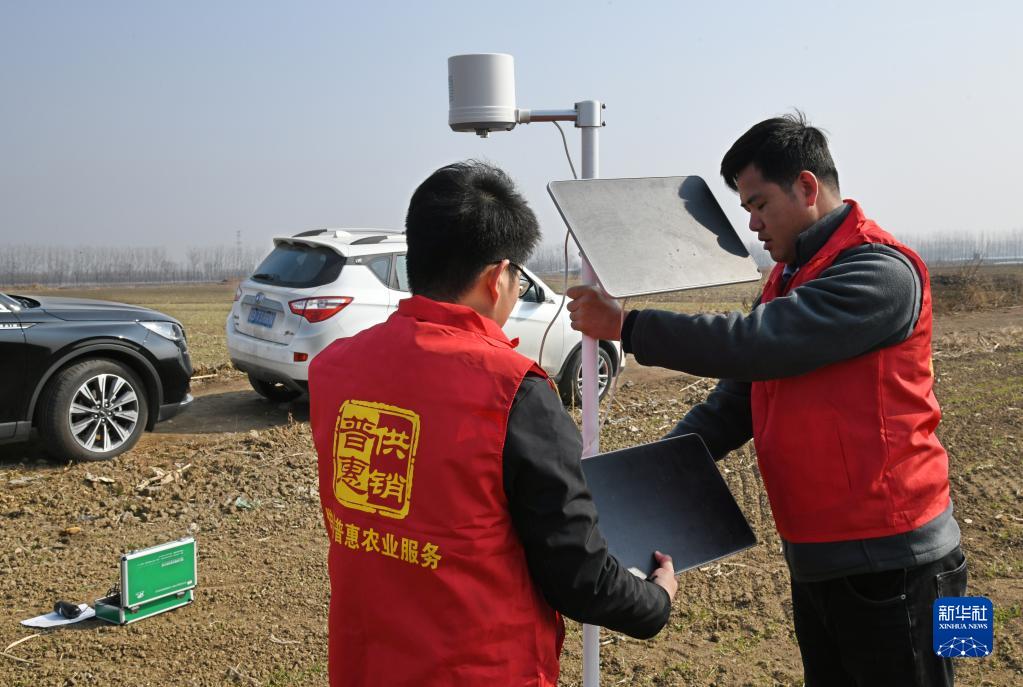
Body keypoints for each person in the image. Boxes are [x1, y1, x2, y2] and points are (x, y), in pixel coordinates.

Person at [566, 113, 967, 686]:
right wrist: (645, 471)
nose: (752, 224)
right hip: (820, 560)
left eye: (759, 204)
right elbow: (738, 398)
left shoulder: (880, 271)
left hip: (902, 563)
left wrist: (628, 327)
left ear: (806, 187)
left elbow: (756, 342)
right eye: (745, 208)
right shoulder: (788, 276)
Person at [309, 160, 677, 687]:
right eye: (516, 278)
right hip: (480, 669)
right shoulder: (514, 392)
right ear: (496, 277)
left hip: (364, 665)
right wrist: (656, 600)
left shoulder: (335, 369)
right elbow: (578, 576)